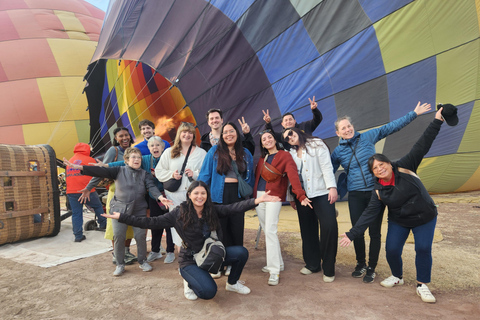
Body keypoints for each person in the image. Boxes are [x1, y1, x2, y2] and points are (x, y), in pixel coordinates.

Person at [103, 181, 281, 300]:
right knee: (208, 293)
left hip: (210, 254)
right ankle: (187, 278)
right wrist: (122, 217)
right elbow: (151, 222)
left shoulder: (211, 209)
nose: (200, 197)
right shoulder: (179, 212)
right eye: (196, 193)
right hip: (190, 260)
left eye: (203, 193)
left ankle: (232, 283)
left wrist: (257, 200)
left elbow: (233, 208)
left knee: (241, 252)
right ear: (189, 195)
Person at [340, 107, 445, 303]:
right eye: (375, 169)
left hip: (424, 217)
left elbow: (422, 144)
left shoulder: (405, 165)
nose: (380, 169)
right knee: (392, 249)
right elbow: (369, 215)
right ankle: (397, 276)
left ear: (388, 163)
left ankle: (422, 285)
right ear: (373, 173)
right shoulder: (378, 190)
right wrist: (351, 234)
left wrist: (437, 121)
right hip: (399, 220)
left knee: (422, 248)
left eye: (382, 164)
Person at [64, 147, 164, 276]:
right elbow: (100, 171)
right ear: (126, 160)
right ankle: (120, 264)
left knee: (140, 236)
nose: (137, 160)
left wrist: (160, 197)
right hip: (119, 210)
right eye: (133, 157)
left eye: (139, 157)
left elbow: (152, 187)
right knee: (118, 237)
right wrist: (80, 168)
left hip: (139, 210)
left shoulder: (144, 174)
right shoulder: (118, 170)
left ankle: (142, 261)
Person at [254, 130, 311, 286]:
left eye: (269, 137)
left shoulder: (285, 155)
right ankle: (278, 263)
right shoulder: (261, 159)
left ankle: (274, 271)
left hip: (274, 196)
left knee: (271, 230)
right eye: (264, 139)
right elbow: (257, 179)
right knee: (267, 230)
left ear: (275, 139)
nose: (267, 140)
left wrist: (300, 195)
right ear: (262, 143)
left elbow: (293, 176)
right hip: (259, 196)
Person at [198, 122, 255, 277]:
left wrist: (247, 196)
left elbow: (250, 177)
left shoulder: (245, 153)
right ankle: (220, 262)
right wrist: (200, 194)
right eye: (225, 132)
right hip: (218, 195)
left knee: (237, 229)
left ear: (237, 133)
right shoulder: (214, 151)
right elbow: (205, 175)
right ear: (221, 136)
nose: (228, 134)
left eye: (231, 131)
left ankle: (234, 262)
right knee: (220, 231)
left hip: (237, 196)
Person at [106, 136, 175, 264]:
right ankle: (155, 250)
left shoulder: (168, 158)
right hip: (153, 196)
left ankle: (170, 251)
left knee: (169, 223)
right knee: (154, 223)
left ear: (163, 147)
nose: (155, 147)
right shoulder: (145, 159)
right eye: (152, 146)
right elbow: (124, 163)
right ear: (148, 148)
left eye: (157, 145)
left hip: (168, 195)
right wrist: (106, 164)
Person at [282, 127, 338, 282]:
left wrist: (332, 187)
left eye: (291, 134)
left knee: (329, 226)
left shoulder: (316, 143)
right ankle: (312, 264)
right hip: (302, 197)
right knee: (307, 230)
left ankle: (328, 267)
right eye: (286, 138)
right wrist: (291, 197)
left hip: (321, 192)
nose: (290, 138)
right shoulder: (291, 154)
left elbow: (327, 166)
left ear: (298, 131)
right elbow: (290, 177)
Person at [80, 127, 138, 265]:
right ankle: (116, 253)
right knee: (116, 225)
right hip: (116, 192)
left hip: (131, 194)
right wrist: (89, 187)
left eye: (126, 135)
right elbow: (102, 169)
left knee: (129, 225)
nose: (124, 138)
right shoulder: (114, 150)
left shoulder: (133, 151)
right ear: (116, 139)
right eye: (121, 136)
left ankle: (126, 251)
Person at [155, 122, 207, 248]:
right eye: (184, 132)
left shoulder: (201, 153)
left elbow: (206, 173)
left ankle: (196, 255)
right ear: (179, 134)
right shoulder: (169, 152)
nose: (187, 135)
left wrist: (194, 174)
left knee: (195, 223)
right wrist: (171, 175)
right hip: (174, 196)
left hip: (195, 196)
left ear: (194, 136)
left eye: (190, 132)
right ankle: (182, 257)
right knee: (178, 224)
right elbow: (159, 171)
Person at [65, 143, 106, 242]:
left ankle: (78, 236)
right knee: (97, 206)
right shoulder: (90, 160)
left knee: (76, 213)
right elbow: (98, 174)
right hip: (88, 191)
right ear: (87, 150)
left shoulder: (70, 160)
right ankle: (103, 224)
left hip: (71, 191)